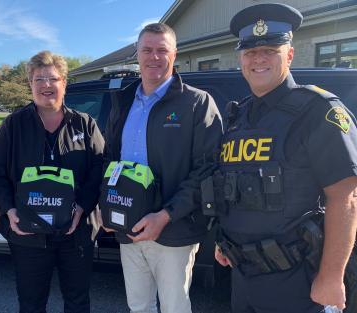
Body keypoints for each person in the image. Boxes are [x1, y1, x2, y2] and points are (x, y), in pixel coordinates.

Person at [213, 3, 357, 313]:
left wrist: (332, 276)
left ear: (289, 55)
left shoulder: (317, 111)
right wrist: (224, 240)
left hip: (296, 280)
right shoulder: (239, 118)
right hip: (242, 276)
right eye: (250, 52)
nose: (258, 59)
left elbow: (346, 198)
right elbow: (233, 188)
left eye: (270, 49)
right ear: (241, 59)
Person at [100, 23, 222, 313]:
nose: (154, 57)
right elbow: (109, 159)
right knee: (139, 307)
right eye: (147, 50)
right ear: (137, 55)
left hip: (174, 230)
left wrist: (165, 215)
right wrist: (105, 207)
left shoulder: (197, 103)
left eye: (162, 50)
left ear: (174, 54)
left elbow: (208, 170)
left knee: (174, 308)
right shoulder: (123, 101)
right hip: (127, 227)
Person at [0, 50, 104, 313]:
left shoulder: (84, 124)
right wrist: (9, 209)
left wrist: (82, 207)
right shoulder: (14, 125)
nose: (46, 85)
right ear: (30, 84)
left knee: (78, 302)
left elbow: (100, 170)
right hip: (28, 236)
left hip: (76, 233)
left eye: (53, 79)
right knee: (31, 304)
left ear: (64, 83)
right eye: (39, 79)